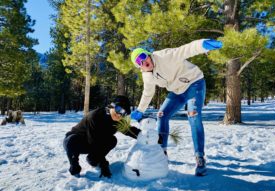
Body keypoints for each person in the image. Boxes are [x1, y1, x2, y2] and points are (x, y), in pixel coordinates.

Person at [130, 39, 222, 176]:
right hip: (177, 91)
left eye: (143, 56)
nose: (143, 62)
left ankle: (200, 157)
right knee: (161, 114)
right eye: (139, 62)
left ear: (149, 54)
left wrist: (202, 45)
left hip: (194, 83)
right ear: (139, 67)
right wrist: (140, 110)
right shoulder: (147, 76)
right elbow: (148, 93)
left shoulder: (164, 56)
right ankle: (162, 152)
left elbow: (186, 49)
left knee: (193, 114)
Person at [63, 96, 141, 178]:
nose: (119, 115)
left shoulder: (118, 121)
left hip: (94, 142)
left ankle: (93, 159)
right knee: (71, 140)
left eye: (124, 113)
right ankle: (74, 166)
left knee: (112, 140)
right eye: (118, 109)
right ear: (112, 106)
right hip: (77, 142)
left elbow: (129, 130)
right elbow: (94, 142)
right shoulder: (95, 116)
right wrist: (103, 163)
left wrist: (148, 136)